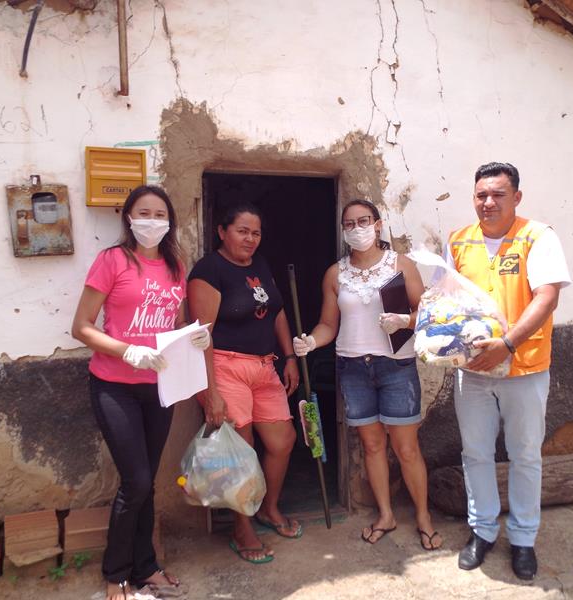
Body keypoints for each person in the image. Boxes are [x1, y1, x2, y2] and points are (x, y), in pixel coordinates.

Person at [72, 185, 210, 600]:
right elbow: (81, 326)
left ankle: (146, 566)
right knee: (135, 481)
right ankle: (116, 574)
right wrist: (127, 350)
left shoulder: (175, 264)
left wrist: (195, 337)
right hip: (114, 385)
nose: (152, 220)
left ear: (169, 222)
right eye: (143, 212)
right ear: (129, 218)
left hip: (159, 387)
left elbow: (177, 323)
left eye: (160, 214)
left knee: (146, 483)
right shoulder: (111, 261)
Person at [293, 199, 442, 551]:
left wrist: (404, 320)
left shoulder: (400, 264)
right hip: (352, 367)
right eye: (349, 223)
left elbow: (428, 311)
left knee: (406, 448)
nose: (356, 228)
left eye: (363, 221)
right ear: (343, 230)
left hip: (397, 365)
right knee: (372, 446)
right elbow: (330, 324)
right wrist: (312, 341)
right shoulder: (336, 273)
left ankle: (423, 516)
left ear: (378, 224)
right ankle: (386, 514)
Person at [446, 162, 570, 580]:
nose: (488, 202)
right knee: (476, 453)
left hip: (525, 366)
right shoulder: (459, 241)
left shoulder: (538, 236)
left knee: (524, 456)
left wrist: (507, 343)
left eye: (498, 194)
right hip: (474, 369)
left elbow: (546, 297)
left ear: (516, 197)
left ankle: (523, 538)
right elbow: (447, 300)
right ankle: (482, 531)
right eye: (481, 194)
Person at [187, 203, 301, 564]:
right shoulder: (208, 270)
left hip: (264, 368)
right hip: (225, 366)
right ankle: (243, 528)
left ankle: (267, 508)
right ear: (222, 231)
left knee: (283, 440)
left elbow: (278, 310)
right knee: (242, 452)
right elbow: (201, 335)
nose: (250, 239)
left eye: (256, 232)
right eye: (242, 231)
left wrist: (290, 357)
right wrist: (211, 391)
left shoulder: (261, 265)